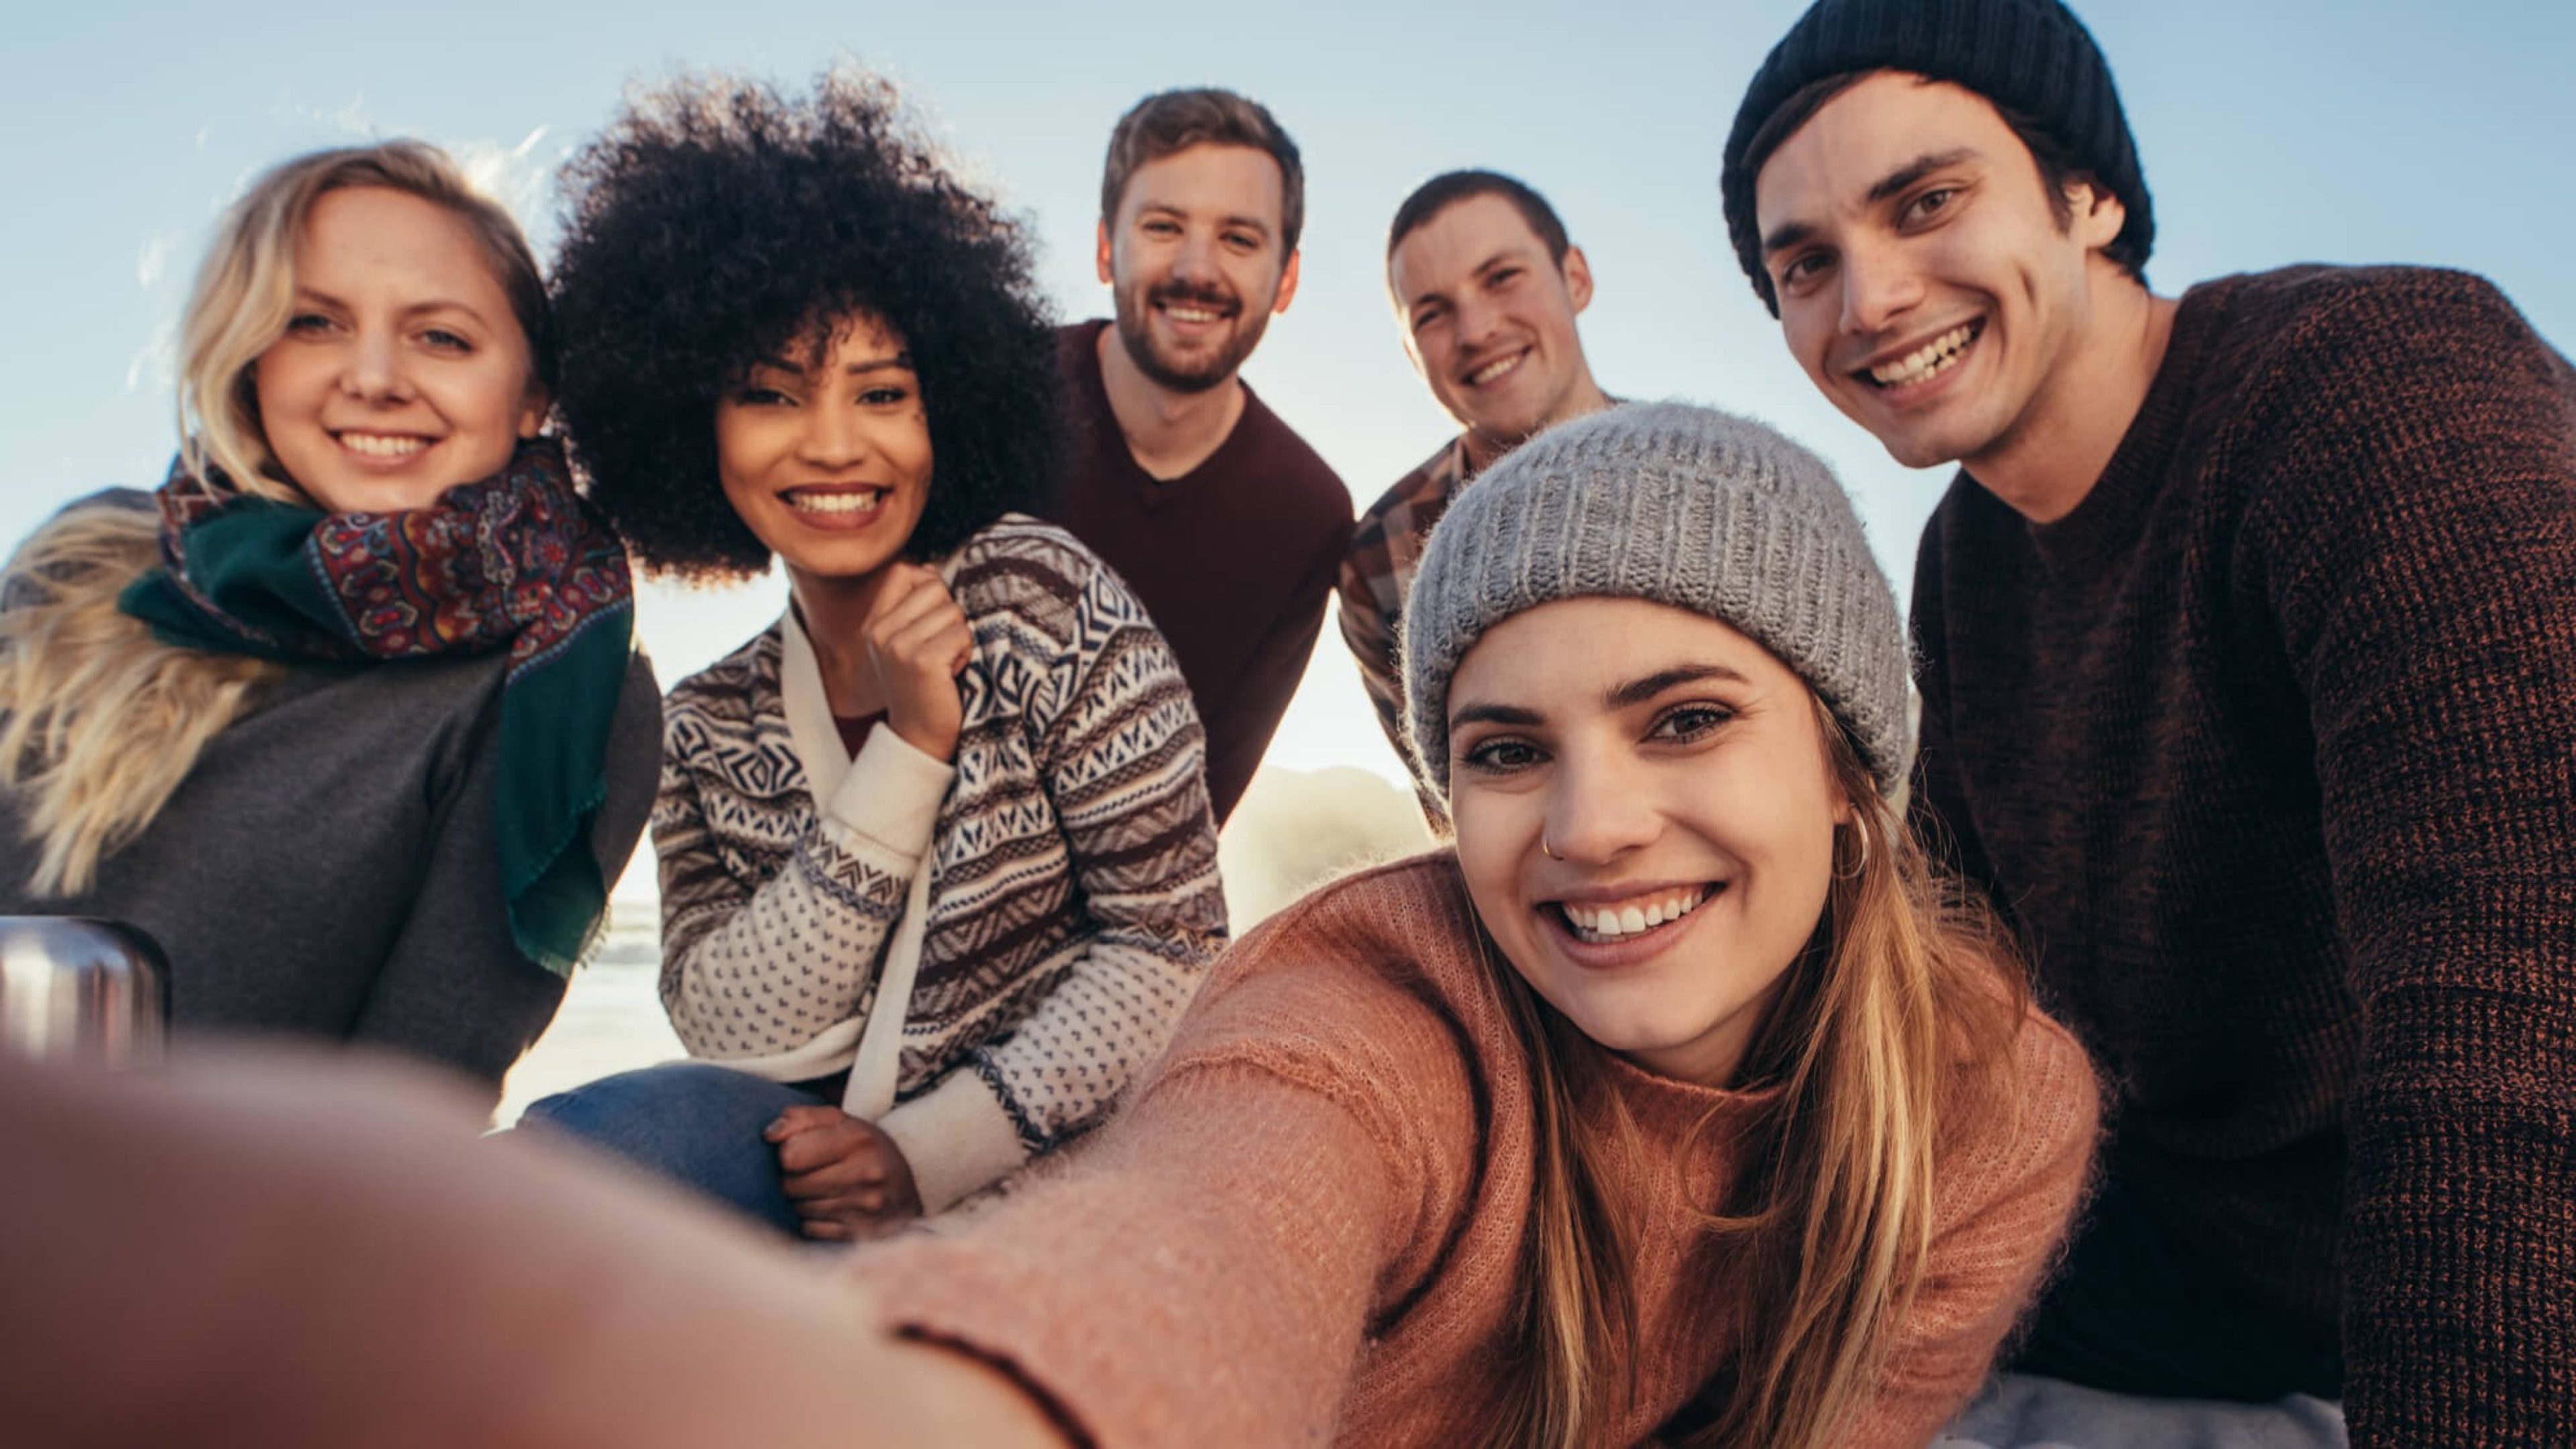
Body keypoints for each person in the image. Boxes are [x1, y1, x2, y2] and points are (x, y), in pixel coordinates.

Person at [0, 404, 2097, 1449]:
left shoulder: (1986, 1108)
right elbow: (1212, 1192)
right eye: (1504, 749)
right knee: (610, 1155)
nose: (1592, 824)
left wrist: (935, 1151)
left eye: (1684, 719)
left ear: (1844, 761)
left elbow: (1152, 948)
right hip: (932, 1193)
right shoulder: (1374, 1013)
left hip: (1001, 1133)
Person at [1721, 0, 2576, 1442]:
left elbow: (2513, 984)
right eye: (1806, 264)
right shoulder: (1962, 563)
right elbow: (1955, 980)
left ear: (2090, 196)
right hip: (2177, 1246)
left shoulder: (2380, 384)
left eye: (1926, 202)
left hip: (2451, 1244)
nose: (1865, 301)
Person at [519, 72, 1229, 1240]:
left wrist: (923, 1156)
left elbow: (1171, 945)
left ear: (943, 407)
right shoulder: (707, 718)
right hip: (785, 1157)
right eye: (772, 395)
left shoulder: (1047, 602)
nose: (835, 445)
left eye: (882, 391)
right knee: (555, 1166)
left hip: (1063, 1162)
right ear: (697, 427)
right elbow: (729, 1029)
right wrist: (911, 749)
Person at [0, 141, 659, 1097]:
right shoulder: (91, 556)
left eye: (442, 337)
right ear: (252, 361)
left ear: (531, 396)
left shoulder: (560, 677)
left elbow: (415, 1107)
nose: (376, 377)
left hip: (208, 1227)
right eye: (315, 324)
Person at [1044, 87, 1352, 825]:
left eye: (1239, 240)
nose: (1196, 269)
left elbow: (1197, 806)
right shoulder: (990, 390)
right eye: (1162, 226)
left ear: (1286, 280)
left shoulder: (1306, 514)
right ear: (1103, 249)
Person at [1337, 170, 1614, 782]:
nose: (1477, 330)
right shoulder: (1383, 553)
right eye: (1433, 314)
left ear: (1576, 277)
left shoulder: (1715, 482)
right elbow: (1453, 808)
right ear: (1413, 355)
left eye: (1502, 278)